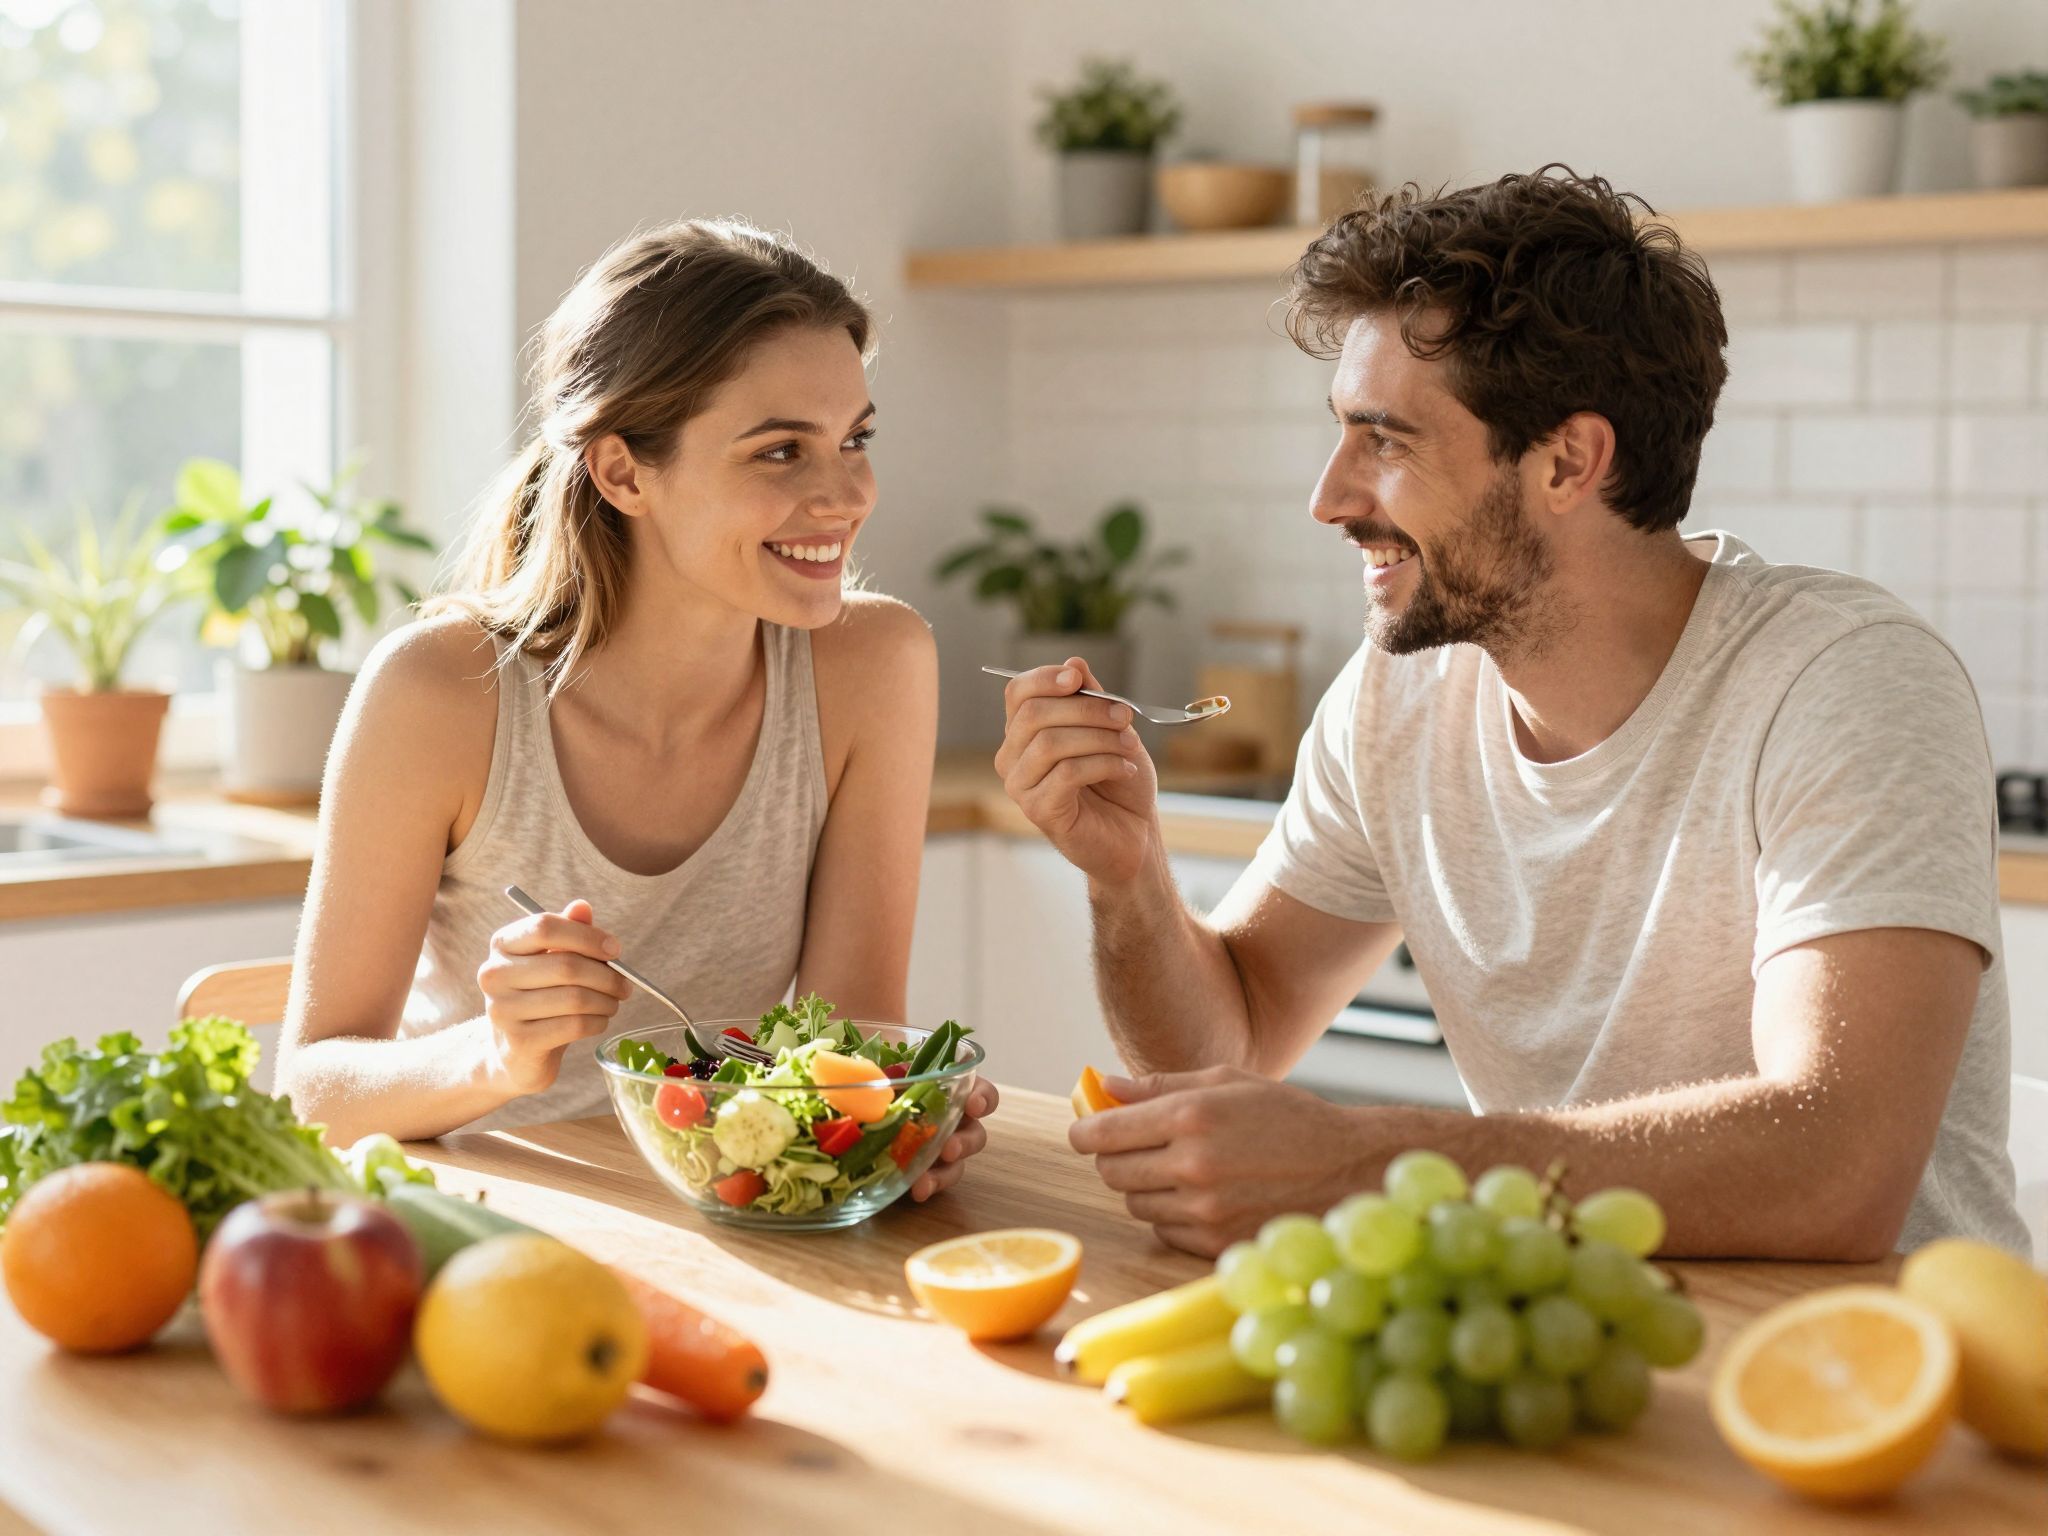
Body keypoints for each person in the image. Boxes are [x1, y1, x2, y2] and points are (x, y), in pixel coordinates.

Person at [996, 168, 2026, 1261]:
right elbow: (1232, 1036)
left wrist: (1363, 1164)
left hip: (1894, 1383)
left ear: (1568, 462)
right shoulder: (1397, 696)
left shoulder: (1843, 683)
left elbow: (1834, 1165)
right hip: (1577, 1342)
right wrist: (1129, 880)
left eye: (1383, 441)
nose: (1329, 497)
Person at [280, 217, 996, 1202]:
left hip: (727, 1217)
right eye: (781, 451)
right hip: (479, 1225)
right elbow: (311, 1087)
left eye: (854, 440)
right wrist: (494, 1054)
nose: (846, 493)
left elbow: (847, 1040)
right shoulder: (438, 694)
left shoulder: (873, 665)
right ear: (622, 472)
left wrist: (889, 1119)